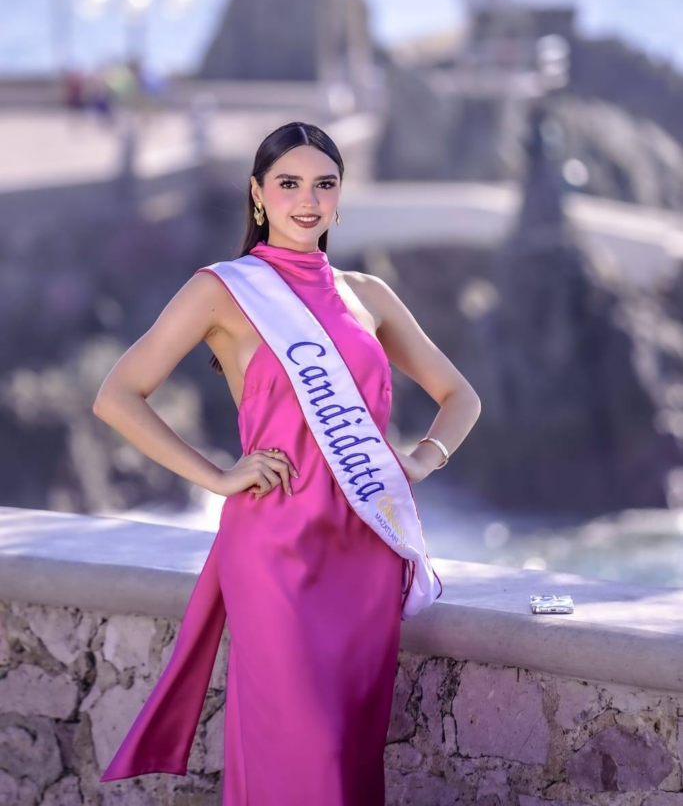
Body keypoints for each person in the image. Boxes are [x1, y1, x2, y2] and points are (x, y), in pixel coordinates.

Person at [94, 121, 481, 805]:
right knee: (310, 758)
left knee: (348, 759)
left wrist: (423, 459)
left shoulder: (368, 295)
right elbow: (117, 396)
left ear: (340, 195)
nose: (308, 200)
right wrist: (218, 476)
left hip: (365, 551)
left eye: (324, 184)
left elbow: (460, 397)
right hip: (275, 549)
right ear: (257, 193)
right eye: (289, 183)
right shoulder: (223, 290)